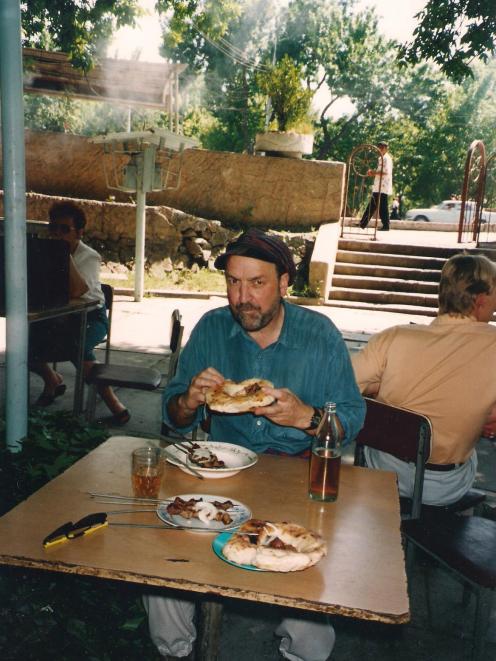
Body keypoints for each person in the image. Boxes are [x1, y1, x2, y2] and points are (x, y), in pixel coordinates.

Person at [144, 228, 365, 661]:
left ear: (284, 283)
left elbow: (353, 421)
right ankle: (175, 652)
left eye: (257, 283)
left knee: (312, 628)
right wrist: (188, 399)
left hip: (297, 481)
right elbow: (172, 418)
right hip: (222, 478)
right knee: (162, 571)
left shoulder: (320, 335)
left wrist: (308, 418)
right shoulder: (211, 328)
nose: (242, 297)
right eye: (233, 282)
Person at [352, 253, 496, 506]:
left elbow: (342, 387)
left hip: (387, 472)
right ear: (481, 301)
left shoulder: (395, 337)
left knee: (372, 418)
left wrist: (378, 389)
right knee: (470, 451)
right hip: (448, 487)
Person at [29, 201, 129, 424]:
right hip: (57, 315)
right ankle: (52, 380)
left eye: (64, 229)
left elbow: (77, 290)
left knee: (77, 346)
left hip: (91, 316)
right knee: (24, 344)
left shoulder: (88, 257)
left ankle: (115, 406)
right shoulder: (44, 252)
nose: (57, 234)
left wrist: (64, 254)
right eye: (53, 228)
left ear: (79, 233)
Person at [359, 140, 393, 231]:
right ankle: (363, 223)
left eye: (381, 148)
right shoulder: (381, 158)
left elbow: (385, 172)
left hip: (383, 186)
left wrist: (373, 172)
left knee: (378, 206)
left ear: (386, 148)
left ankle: (384, 225)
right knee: (377, 205)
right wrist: (373, 173)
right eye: (379, 147)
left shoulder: (386, 158)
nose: (379, 149)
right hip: (379, 185)